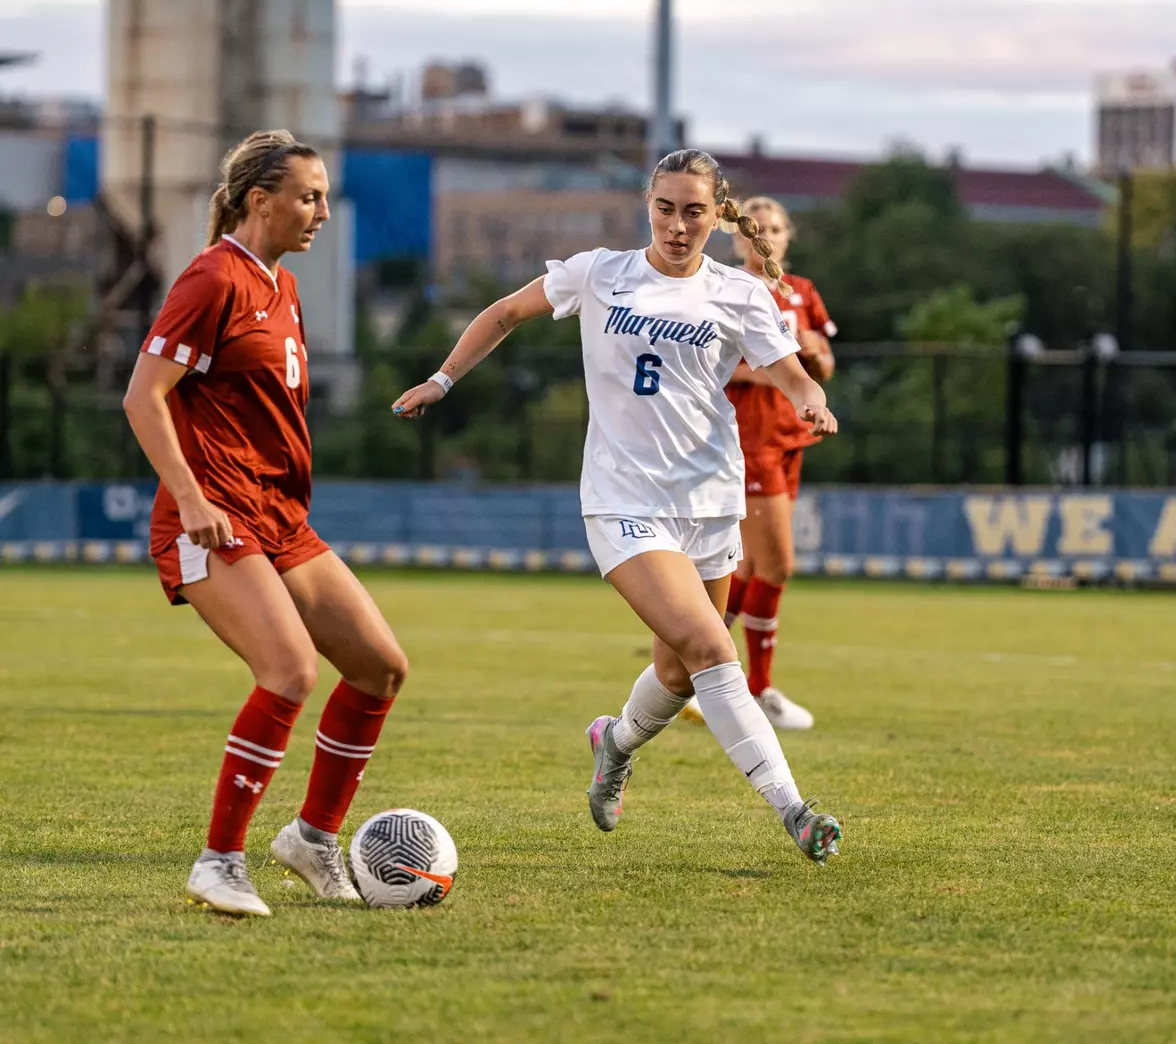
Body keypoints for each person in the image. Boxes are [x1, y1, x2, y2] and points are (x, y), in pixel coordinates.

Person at [393, 148, 842, 865]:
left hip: (710, 500)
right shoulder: (600, 272)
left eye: (693, 211)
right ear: (648, 205)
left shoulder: (739, 293)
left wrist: (812, 401)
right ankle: (794, 809)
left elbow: (791, 373)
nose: (676, 224)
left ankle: (615, 743)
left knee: (675, 670)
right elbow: (506, 312)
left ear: (715, 214)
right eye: (664, 208)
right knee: (711, 649)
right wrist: (443, 380)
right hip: (622, 500)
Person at [123, 130, 409, 916]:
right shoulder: (213, 276)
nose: (321, 211)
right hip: (211, 513)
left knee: (379, 665)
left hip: (279, 518)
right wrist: (189, 497)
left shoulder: (281, 287)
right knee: (289, 671)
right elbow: (142, 397)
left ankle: (313, 838)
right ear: (260, 200)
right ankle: (218, 862)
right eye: (309, 196)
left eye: (322, 196)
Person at [680, 196, 835, 731]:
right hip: (751, 442)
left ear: (787, 235)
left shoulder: (803, 293)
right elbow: (730, 369)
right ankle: (754, 685)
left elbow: (825, 366)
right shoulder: (727, 290)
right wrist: (786, 365)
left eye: (773, 228)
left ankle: (697, 670)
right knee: (778, 566)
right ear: (738, 238)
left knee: (747, 569)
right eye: (754, 230)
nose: (763, 237)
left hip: (793, 438)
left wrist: (812, 355)